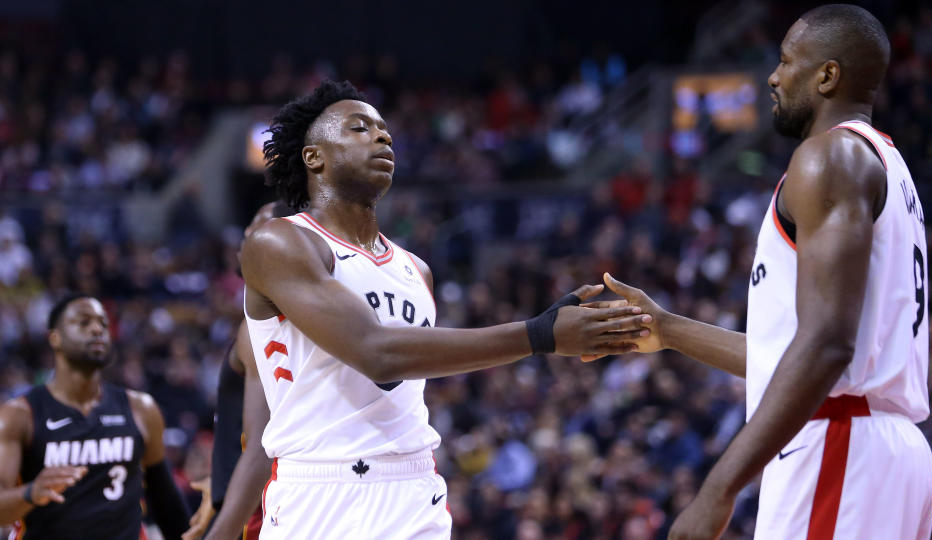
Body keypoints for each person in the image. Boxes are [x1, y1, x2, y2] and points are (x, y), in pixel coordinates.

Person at [238, 80, 651, 539]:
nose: (381, 137)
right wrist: (541, 335)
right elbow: (378, 354)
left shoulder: (416, 269)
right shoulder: (279, 242)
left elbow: (414, 366)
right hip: (323, 487)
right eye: (360, 128)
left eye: (385, 132)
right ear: (313, 157)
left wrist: (542, 335)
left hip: (415, 486)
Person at [600, 5, 932, 539]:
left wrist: (718, 490)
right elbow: (793, 355)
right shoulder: (888, 167)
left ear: (826, 75)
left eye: (785, 61)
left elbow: (826, 346)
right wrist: (667, 329)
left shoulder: (828, 159)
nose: (774, 76)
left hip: (838, 443)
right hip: (879, 451)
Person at [0, 295, 192, 539]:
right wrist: (30, 492)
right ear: (55, 337)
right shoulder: (19, 415)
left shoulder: (140, 408)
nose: (97, 329)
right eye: (83, 322)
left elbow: (166, 500)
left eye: (102, 323)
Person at [184, 203, 284, 540]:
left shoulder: (269, 325)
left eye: (258, 225)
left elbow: (260, 445)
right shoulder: (263, 319)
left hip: (264, 507)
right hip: (255, 499)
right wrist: (222, 480)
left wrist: (222, 532)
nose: (245, 235)